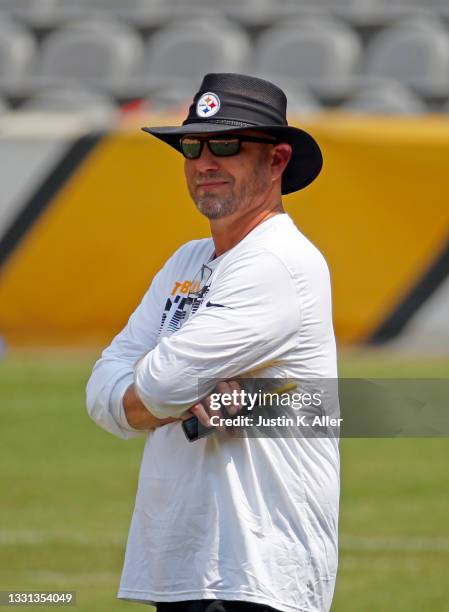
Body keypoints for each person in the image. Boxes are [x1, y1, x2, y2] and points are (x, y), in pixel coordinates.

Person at [86, 73, 339, 612]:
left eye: (225, 144)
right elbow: (102, 386)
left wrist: (154, 395)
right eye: (192, 146)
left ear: (276, 161)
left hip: (257, 569)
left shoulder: (278, 262)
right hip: (182, 564)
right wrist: (163, 397)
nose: (204, 162)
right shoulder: (185, 260)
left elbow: (159, 383)